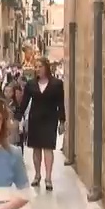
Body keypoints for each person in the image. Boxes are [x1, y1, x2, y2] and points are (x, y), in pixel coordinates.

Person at [19, 58, 66, 190]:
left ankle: (48, 177)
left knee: (48, 148)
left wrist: (62, 121)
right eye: (36, 67)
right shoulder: (31, 84)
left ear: (46, 67)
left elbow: (60, 103)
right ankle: (37, 174)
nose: (37, 69)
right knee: (36, 148)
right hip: (35, 119)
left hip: (50, 119)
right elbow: (25, 102)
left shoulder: (57, 84)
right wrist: (19, 117)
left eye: (40, 66)